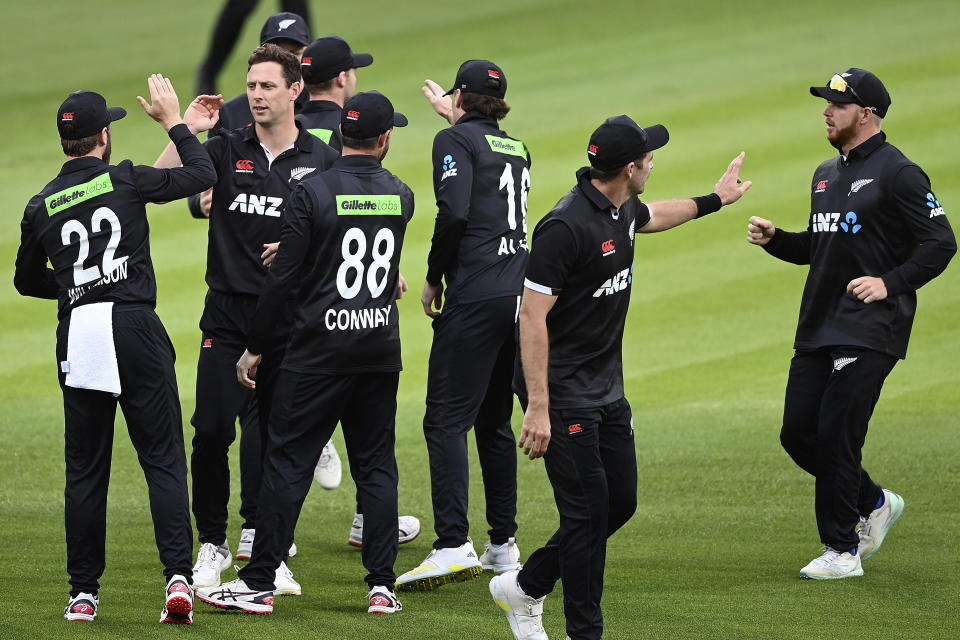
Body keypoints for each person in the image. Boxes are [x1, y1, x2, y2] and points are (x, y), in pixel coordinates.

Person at [490, 115, 751, 640]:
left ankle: (526, 583)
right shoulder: (564, 228)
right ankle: (580, 630)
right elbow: (531, 317)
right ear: (629, 168)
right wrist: (539, 406)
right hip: (562, 392)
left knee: (619, 503)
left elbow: (654, 215)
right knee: (586, 515)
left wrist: (715, 200)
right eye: (649, 158)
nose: (654, 163)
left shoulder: (620, 206)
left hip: (606, 387)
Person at [196, 90, 413, 615]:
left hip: (318, 353)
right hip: (379, 348)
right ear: (385, 140)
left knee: (287, 462)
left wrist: (254, 348)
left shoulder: (312, 192)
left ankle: (258, 581)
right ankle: (381, 586)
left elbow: (284, 282)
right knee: (377, 466)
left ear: (340, 136)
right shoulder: (401, 195)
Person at [14, 76, 217, 624]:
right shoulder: (125, 180)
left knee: (84, 470)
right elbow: (203, 175)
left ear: (66, 142)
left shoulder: (41, 204)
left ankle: (83, 594)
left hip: (80, 331)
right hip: (133, 326)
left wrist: (77, 287)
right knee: (163, 461)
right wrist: (175, 122)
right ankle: (178, 578)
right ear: (103, 137)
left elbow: (25, 281)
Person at [747, 68, 955, 580]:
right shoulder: (825, 173)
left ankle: (841, 550)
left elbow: (941, 242)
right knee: (798, 433)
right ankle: (874, 501)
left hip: (871, 328)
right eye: (826, 103)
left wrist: (889, 282)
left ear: (867, 114)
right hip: (818, 325)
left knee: (839, 435)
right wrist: (778, 239)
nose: (826, 111)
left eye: (837, 104)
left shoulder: (899, 172)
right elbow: (820, 250)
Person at [154, 43, 339, 591]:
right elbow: (161, 186)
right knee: (211, 431)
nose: (256, 96)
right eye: (251, 86)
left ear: (295, 91)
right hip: (229, 316)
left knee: (275, 439)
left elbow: (340, 227)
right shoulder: (224, 146)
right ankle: (211, 544)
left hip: (289, 320)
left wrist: (300, 252)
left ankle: (264, 546)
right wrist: (183, 128)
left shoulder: (322, 159)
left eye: (267, 87)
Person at [396, 60, 529, 592]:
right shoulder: (516, 146)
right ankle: (504, 546)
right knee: (492, 421)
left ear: (459, 96)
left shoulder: (452, 141)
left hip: (474, 294)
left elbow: (452, 213)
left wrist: (433, 278)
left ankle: (452, 543)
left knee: (444, 421)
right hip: (518, 293)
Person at [295, 34, 423, 546]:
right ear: (344, 78)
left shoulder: (285, 127)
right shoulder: (349, 151)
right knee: (361, 438)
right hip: (340, 307)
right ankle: (368, 539)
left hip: (286, 288)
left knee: (277, 428)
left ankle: (262, 537)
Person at [197, 6, 311, 103]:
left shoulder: (324, 108)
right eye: (277, 54)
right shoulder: (233, 115)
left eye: (295, 53)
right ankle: (209, 73)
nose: (287, 61)